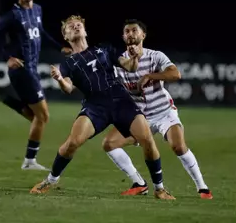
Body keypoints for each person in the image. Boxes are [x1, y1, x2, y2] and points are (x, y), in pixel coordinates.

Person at [29, 15, 175, 200]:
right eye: (70, 27)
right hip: (94, 106)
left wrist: (135, 57)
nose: (75, 27)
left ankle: (159, 188)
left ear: (85, 31)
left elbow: (129, 67)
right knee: (72, 143)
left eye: (79, 25)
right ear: (65, 36)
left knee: (147, 139)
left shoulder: (104, 49)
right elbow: (68, 88)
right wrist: (59, 79)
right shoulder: (68, 63)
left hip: (121, 101)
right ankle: (51, 180)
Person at [102, 19, 213, 199]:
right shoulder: (120, 63)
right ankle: (139, 183)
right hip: (138, 117)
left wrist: (150, 75)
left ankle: (202, 187)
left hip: (163, 112)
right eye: (127, 31)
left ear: (143, 35)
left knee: (178, 146)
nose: (130, 34)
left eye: (134, 30)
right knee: (109, 143)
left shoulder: (155, 56)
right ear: (123, 37)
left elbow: (175, 74)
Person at [0, 0, 71, 170]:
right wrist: (7, 58)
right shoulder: (12, 16)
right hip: (22, 70)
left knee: (35, 118)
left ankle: (1, 95)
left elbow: (41, 33)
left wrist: (59, 47)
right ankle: (29, 161)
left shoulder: (37, 10)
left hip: (32, 69)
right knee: (43, 117)